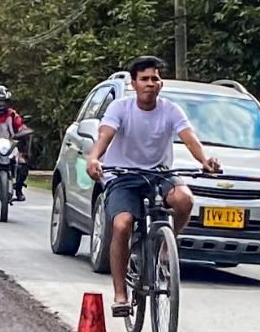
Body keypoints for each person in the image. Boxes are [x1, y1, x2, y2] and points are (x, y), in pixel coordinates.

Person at [85, 55, 220, 317]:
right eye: (144, 79)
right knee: (122, 224)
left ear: (161, 84)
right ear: (134, 83)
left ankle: (164, 247)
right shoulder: (120, 109)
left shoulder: (170, 109)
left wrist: (205, 160)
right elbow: (105, 136)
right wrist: (93, 158)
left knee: (184, 198)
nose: (150, 83)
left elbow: (190, 139)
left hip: (159, 174)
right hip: (122, 176)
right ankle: (121, 295)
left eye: (155, 79)